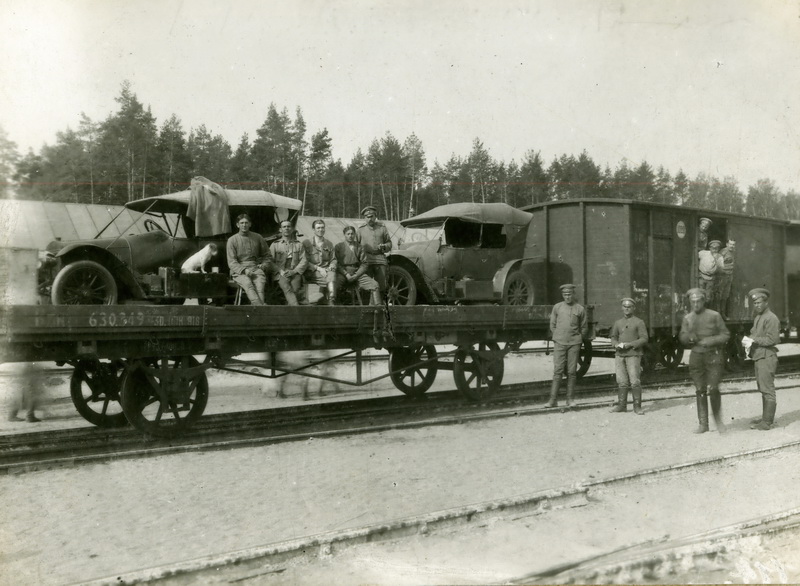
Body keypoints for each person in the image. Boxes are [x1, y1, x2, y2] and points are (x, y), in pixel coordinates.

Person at [679, 288, 730, 434]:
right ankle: (703, 424)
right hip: (696, 357)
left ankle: (719, 422)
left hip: (713, 356)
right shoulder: (688, 318)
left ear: (703, 301)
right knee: (700, 389)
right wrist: (688, 337)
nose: (695, 304)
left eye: (698, 301)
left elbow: (725, 335)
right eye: (693, 302)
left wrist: (710, 340)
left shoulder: (714, 315)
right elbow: (682, 337)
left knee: (713, 388)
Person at [546, 284, 588, 409]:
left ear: (573, 294)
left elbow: (584, 327)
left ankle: (570, 400)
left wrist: (578, 338)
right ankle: (552, 400)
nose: (567, 297)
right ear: (562, 295)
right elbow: (552, 325)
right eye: (565, 295)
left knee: (571, 372)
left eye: (569, 294)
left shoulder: (580, 309)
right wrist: (558, 336)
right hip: (560, 343)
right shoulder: (557, 307)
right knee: (557, 371)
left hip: (574, 344)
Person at [747, 288, 780, 431]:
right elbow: (755, 333)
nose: (757, 305)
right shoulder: (758, 317)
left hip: (767, 356)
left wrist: (753, 339)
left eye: (759, 302)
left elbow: (773, 339)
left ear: (766, 302)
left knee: (768, 389)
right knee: (763, 388)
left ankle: (767, 422)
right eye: (755, 303)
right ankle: (765, 418)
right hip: (760, 355)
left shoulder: (771, 318)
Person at [609, 298, 649, 414]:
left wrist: (631, 344)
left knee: (635, 381)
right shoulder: (618, 323)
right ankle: (622, 405)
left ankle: (637, 406)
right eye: (625, 307)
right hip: (620, 355)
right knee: (621, 381)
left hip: (633, 355)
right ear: (622, 308)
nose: (627, 309)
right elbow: (613, 337)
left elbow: (644, 338)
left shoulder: (639, 322)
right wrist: (615, 344)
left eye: (629, 307)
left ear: (634, 308)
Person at [226, 214, 273, 306]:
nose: (244, 225)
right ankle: (261, 309)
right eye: (242, 223)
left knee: (260, 286)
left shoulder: (258, 237)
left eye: (246, 223)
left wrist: (263, 265)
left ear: (250, 224)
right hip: (238, 271)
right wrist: (244, 270)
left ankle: (257, 309)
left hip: (255, 268)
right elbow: (231, 262)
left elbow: (267, 255)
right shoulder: (232, 240)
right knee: (248, 285)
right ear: (237, 225)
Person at [334, 225, 380, 306]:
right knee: (334, 285)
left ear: (355, 234)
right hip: (343, 273)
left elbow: (365, 263)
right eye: (348, 234)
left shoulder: (360, 247)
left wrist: (356, 275)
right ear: (344, 235)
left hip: (357, 272)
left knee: (375, 285)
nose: (350, 236)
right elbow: (336, 263)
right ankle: (336, 308)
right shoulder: (339, 247)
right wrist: (346, 274)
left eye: (352, 234)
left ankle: (375, 308)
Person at [357, 205, 392, 297]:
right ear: (364, 218)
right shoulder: (360, 230)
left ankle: (379, 307)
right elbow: (356, 245)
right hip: (366, 260)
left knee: (381, 285)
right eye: (367, 217)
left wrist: (384, 246)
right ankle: (367, 306)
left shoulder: (382, 228)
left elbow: (389, 243)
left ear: (375, 216)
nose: (370, 219)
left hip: (379, 258)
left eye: (372, 216)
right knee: (366, 285)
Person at [270, 220, 308, 306]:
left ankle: (288, 309)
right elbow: (270, 261)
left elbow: (304, 260)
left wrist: (294, 271)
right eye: (284, 227)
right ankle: (296, 309)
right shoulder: (275, 245)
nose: (286, 228)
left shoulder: (298, 245)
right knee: (287, 288)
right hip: (281, 273)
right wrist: (280, 271)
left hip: (295, 272)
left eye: (288, 226)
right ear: (280, 230)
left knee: (295, 290)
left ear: (292, 229)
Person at [302, 219, 337, 305]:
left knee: (332, 275)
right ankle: (325, 299)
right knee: (332, 281)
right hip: (311, 271)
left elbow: (333, 259)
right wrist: (318, 268)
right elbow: (304, 261)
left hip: (326, 270)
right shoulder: (306, 243)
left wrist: (331, 266)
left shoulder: (329, 244)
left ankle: (330, 300)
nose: (320, 230)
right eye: (318, 228)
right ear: (313, 230)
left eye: (322, 228)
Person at [717, 239, 736, 318]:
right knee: (719, 295)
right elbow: (718, 264)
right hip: (723, 276)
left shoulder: (733, 252)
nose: (732, 246)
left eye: (733, 244)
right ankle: (718, 313)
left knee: (725, 296)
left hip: (729, 276)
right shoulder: (723, 252)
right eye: (731, 244)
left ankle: (722, 314)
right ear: (727, 244)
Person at [697, 242, 719, 309]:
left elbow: (721, 268)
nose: (714, 250)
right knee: (700, 295)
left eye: (716, 249)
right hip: (702, 277)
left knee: (708, 297)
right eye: (713, 248)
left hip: (711, 279)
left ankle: (705, 311)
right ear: (710, 248)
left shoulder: (719, 256)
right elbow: (695, 256)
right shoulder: (703, 253)